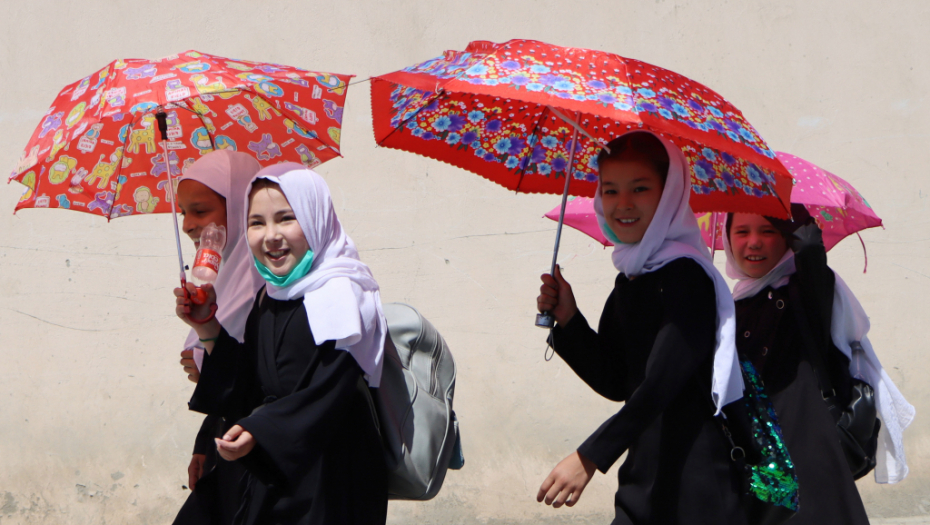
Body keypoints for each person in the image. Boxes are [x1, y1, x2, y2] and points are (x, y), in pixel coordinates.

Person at [535, 131, 745, 524]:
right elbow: (618, 382)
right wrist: (569, 320)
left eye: (640, 188)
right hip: (645, 477)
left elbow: (663, 381)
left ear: (669, 195)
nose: (623, 204)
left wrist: (591, 456)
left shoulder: (688, 277)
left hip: (697, 485)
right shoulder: (631, 277)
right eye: (610, 190)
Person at [175, 163, 389, 525]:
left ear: (315, 217)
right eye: (257, 223)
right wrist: (209, 327)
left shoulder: (341, 294)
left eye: (286, 219)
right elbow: (252, 385)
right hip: (273, 469)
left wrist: (261, 430)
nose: (271, 235)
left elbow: (326, 393)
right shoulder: (272, 296)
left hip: (327, 479)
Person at [724, 207, 914, 524]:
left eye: (768, 231)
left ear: (786, 239)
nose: (754, 242)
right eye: (742, 232)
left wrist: (789, 212)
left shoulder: (804, 292)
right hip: (757, 474)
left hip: (810, 464)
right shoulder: (729, 309)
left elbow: (812, 257)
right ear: (727, 240)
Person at [172, 149, 265, 525]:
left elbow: (261, 381)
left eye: (200, 210)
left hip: (265, 463)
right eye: (183, 212)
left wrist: (210, 349)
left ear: (242, 205)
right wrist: (205, 442)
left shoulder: (271, 284)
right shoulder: (229, 280)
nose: (188, 226)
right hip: (229, 449)